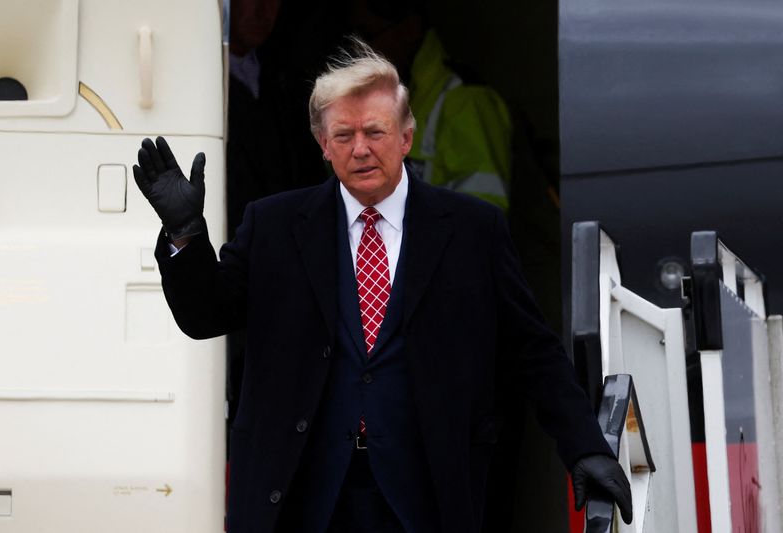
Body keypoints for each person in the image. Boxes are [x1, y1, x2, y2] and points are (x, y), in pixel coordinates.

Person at [132, 39, 631, 533]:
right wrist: (185, 234)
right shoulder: (275, 224)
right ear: (323, 145)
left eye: (375, 131)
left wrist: (584, 446)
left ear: (406, 136)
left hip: (426, 493)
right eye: (344, 135)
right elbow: (205, 316)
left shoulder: (471, 229)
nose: (361, 149)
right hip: (301, 494)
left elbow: (532, 349)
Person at [348, 0, 512, 210]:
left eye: (367, 35)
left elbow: (482, 223)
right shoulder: (389, 100)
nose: (359, 50)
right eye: (353, 38)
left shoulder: (464, 101)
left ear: (410, 28)